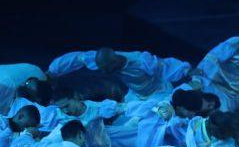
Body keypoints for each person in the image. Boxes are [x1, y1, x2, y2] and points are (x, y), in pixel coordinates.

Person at [47, 47, 191, 100]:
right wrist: (53, 71)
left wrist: (186, 70)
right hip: (136, 96)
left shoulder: (142, 62)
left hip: (157, 94)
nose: (102, 71)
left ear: (114, 63)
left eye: (105, 68)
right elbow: (79, 57)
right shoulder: (103, 59)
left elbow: (166, 65)